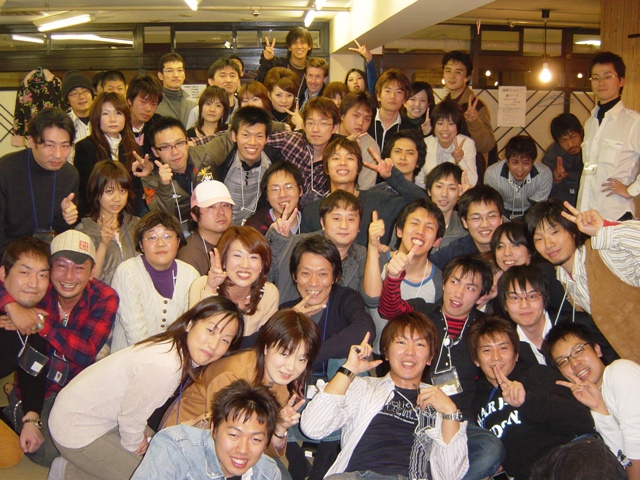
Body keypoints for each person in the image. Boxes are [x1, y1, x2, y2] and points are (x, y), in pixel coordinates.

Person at [47, 296, 244, 480]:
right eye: (211, 330)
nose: (214, 344)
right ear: (190, 324)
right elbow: (130, 419)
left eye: (225, 340)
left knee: (164, 455)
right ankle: (67, 473)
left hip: (100, 415)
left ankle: (75, 469)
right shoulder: (166, 366)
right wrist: (134, 444)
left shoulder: (176, 347)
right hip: (76, 427)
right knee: (154, 474)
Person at [379, 254, 505, 480]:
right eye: (454, 282)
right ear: (444, 283)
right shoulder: (422, 313)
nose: (458, 293)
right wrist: (394, 278)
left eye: (470, 288)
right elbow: (389, 310)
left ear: (482, 296)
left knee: (490, 449)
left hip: (457, 419)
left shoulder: (485, 329)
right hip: (411, 410)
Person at [300, 313, 469, 479]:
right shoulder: (364, 388)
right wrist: (348, 369)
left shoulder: (440, 404)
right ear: (386, 351)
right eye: (401, 342)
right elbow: (313, 427)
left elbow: (451, 474)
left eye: (420, 344)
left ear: (430, 357)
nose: (409, 352)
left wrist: (450, 412)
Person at [0, 229, 119, 467]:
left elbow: (85, 352)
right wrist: (12, 306)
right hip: (43, 388)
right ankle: (15, 407)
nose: (69, 276)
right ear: (52, 268)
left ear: (92, 272)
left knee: (108, 439)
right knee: (48, 452)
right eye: (61, 266)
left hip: (78, 386)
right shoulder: (39, 292)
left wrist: (40, 323)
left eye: (79, 267)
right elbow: (11, 278)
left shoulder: (103, 297)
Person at [468, 316, 594, 480]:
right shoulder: (477, 402)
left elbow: (583, 421)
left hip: (567, 458)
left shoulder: (536, 375)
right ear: (476, 360)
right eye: (486, 350)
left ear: (516, 354)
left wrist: (527, 401)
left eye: (503, 348)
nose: (496, 357)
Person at [161, 309, 320, 438]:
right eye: (284, 354)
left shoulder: (279, 377)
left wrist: (279, 428)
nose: (291, 367)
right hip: (181, 441)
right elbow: (224, 439)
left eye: (301, 359)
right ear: (266, 347)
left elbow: (259, 441)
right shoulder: (233, 376)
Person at [525, 199, 640, 363]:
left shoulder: (603, 253)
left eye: (554, 232)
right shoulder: (565, 279)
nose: (548, 244)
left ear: (572, 231)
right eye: (538, 239)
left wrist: (604, 227)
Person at [544, 322, 640, 480]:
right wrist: (599, 408)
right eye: (563, 362)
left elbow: (637, 444)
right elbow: (620, 459)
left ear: (597, 349)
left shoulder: (620, 371)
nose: (574, 363)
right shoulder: (590, 404)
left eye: (578, 351)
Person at [133, 379, 281, 480]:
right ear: (214, 429)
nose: (243, 449)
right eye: (234, 435)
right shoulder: (175, 448)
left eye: (256, 439)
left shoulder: (268, 473)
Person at [300, 136, 429, 247]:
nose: (343, 163)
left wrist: (392, 177)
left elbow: (425, 205)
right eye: (335, 158)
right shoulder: (312, 211)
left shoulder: (380, 200)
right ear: (326, 168)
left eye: (350, 158)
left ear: (358, 168)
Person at [280, 235, 375, 375]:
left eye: (322, 274)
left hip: (338, 384)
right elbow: (259, 344)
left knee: (349, 358)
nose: (313, 282)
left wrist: (305, 358)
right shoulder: (286, 310)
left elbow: (365, 328)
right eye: (305, 273)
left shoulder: (345, 299)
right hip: (294, 383)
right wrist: (288, 319)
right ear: (295, 276)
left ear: (335, 277)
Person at [363, 198, 445, 352]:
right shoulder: (377, 260)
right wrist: (372, 246)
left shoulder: (440, 282)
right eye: (414, 223)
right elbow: (372, 300)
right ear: (399, 230)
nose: (420, 231)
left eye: (429, 227)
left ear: (437, 241)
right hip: (371, 353)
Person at [110, 211, 199, 352]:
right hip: (130, 358)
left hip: (175, 357)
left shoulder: (191, 275)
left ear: (178, 241)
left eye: (167, 236)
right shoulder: (128, 272)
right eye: (152, 237)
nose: (160, 243)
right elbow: (137, 336)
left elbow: (193, 328)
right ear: (141, 244)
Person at [496, 264, 617, 367]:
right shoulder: (505, 344)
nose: (524, 305)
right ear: (504, 304)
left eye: (532, 296)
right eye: (515, 298)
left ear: (544, 298)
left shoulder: (578, 323)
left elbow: (611, 360)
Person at [0, 108, 78, 257]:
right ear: (31, 141)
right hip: (9, 255)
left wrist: (65, 218)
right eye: (49, 145)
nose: (58, 155)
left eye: (64, 146)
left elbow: (61, 230)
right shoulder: (5, 170)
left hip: (50, 254)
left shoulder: (70, 175)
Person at [0, 237, 50, 469]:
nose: (33, 283)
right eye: (25, 272)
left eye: (42, 275)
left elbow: (32, 373)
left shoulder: (34, 319)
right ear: (3, 273)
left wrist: (31, 419)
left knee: (10, 454)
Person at [268, 190, 366, 305]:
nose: (344, 226)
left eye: (351, 219)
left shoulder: (364, 257)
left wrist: (375, 249)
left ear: (359, 226)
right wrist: (277, 240)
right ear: (323, 223)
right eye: (336, 219)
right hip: (288, 314)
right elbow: (263, 277)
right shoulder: (294, 244)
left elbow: (370, 301)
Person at [189, 225, 278, 344]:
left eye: (253, 257)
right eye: (237, 255)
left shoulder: (269, 293)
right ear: (224, 260)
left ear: (262, 264)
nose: (245, 265)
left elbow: (264, 343)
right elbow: (197, 339)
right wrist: (211, 289)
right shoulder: (202, 285)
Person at [578, 51, 640, 221]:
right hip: (586, 212)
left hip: (615, 214)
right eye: (595, 78)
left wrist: (630, 190)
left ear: (621, 81)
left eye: (608, 76)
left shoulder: (633, 122)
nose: (601, 82)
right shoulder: (590, 123)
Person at [74, 92, 140, 218]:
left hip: (128, 216)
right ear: (96, 117)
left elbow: (135, 190)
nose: (113, 119)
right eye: (106, 113)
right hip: (95, 216)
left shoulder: (133, 148)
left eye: (118, 113)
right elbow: (86, 191)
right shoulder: (85, 147)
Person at [205, 106, 273, 225]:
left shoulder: (272, 165)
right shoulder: (221, 162)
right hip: (220, 226)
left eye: (259, 136)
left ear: (267, 139)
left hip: (254, 227)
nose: (252, 142)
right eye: (246, 135)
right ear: (234, 136)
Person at [75, 160, 139, 285]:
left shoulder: (136, 224)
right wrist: (103, 245)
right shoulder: (83, 231)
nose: (117, 198)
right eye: (109, 191)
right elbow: (89, 279)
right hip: (104, 295)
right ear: (96, 192)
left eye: (122, 191)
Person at [147, 116, 206, 229]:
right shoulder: (149, 179)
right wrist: (164, 186)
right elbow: (159, 220)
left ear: (187, 142)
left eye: (179, 143)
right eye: (165, 147)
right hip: (178, 232)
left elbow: (226, 137)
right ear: (155, 151)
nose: (174, 152)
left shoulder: (204, 156)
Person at [441, 50, 497, 169]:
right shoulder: (442, 106)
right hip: (446, 169)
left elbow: (487, 145)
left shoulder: (476, 107)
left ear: (467, 78)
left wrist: (474, 122)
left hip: (470, 171)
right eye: (448, 70)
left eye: (458, 72)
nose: (452, 76)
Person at [429, 185, 504, 271]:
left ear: (501, 219)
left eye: (491, 216)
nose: (485, 224)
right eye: (476, 218)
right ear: (465, 222)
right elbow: (424, 268)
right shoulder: (455, 252)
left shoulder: (514, 247)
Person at [484, 135, 553, 220]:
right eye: (515, 162)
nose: (520, 169)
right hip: (502, 211)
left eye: (526, 163)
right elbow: (492, 205)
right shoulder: (492, 174)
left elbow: (538, 208)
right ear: (507, 161)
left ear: (533, 162)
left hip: (531, 212)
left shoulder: (544, 174)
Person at [415, 100, 478, 188]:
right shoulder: (425, 143)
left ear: (458, 125)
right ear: (433, 125)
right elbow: (418, 180)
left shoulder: (467, 143)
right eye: (440, 123)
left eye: (451, 124)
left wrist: (460, 161)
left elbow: (472, 182)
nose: (445, 129)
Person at [177, 180, 233, 275]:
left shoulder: (240, 236)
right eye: (211, 207)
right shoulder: (190, 256)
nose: (221, 212)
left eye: (225, 205)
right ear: (195, 216)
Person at [245, 161, 304, 236]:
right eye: (275, 189)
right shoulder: (254, 228)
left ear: (300, 190)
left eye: (288, 187)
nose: (282, 195)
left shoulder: (311, 220)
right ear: (266, 196)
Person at [337, 90, 380, 190]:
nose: (360, 123)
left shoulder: (371, 148)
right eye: (356, 116)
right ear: (342, 115)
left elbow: (365, 189)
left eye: (367, 119)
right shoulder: (326, 133)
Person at [541, 113, 584, 207]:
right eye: (563, 141)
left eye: (573, 137)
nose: (570, 144)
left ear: (581, 132)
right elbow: (544, 193)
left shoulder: (592, 149)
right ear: (557, 142)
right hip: (561, 203)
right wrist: (556, 180)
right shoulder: (551, 156)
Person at [368, 69, 415, 151]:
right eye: (388, 91)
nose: (392, 96)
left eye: (398, 92)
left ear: (404, 99)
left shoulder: (410, 129)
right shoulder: (366, 122)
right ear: (378, 95)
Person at [425, 162, 466, 250]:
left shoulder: (465, 227)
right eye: (439, 186)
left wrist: (470, 199)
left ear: (460, 193)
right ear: (429, 190)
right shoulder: (413, 219)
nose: (444, 194)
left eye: (452, 188)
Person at [155, 52, 197, 128]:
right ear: (160, 75)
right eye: (170, 71)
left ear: (184, 75)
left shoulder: (193, 106)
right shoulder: (154, 104)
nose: (176, 75)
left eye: (180, 70)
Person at [60, 70, 93, 163]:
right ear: (67, 100)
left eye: (85, 91)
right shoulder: (62, 124)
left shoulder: (103, 119)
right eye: (75, 94)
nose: (81, 97)